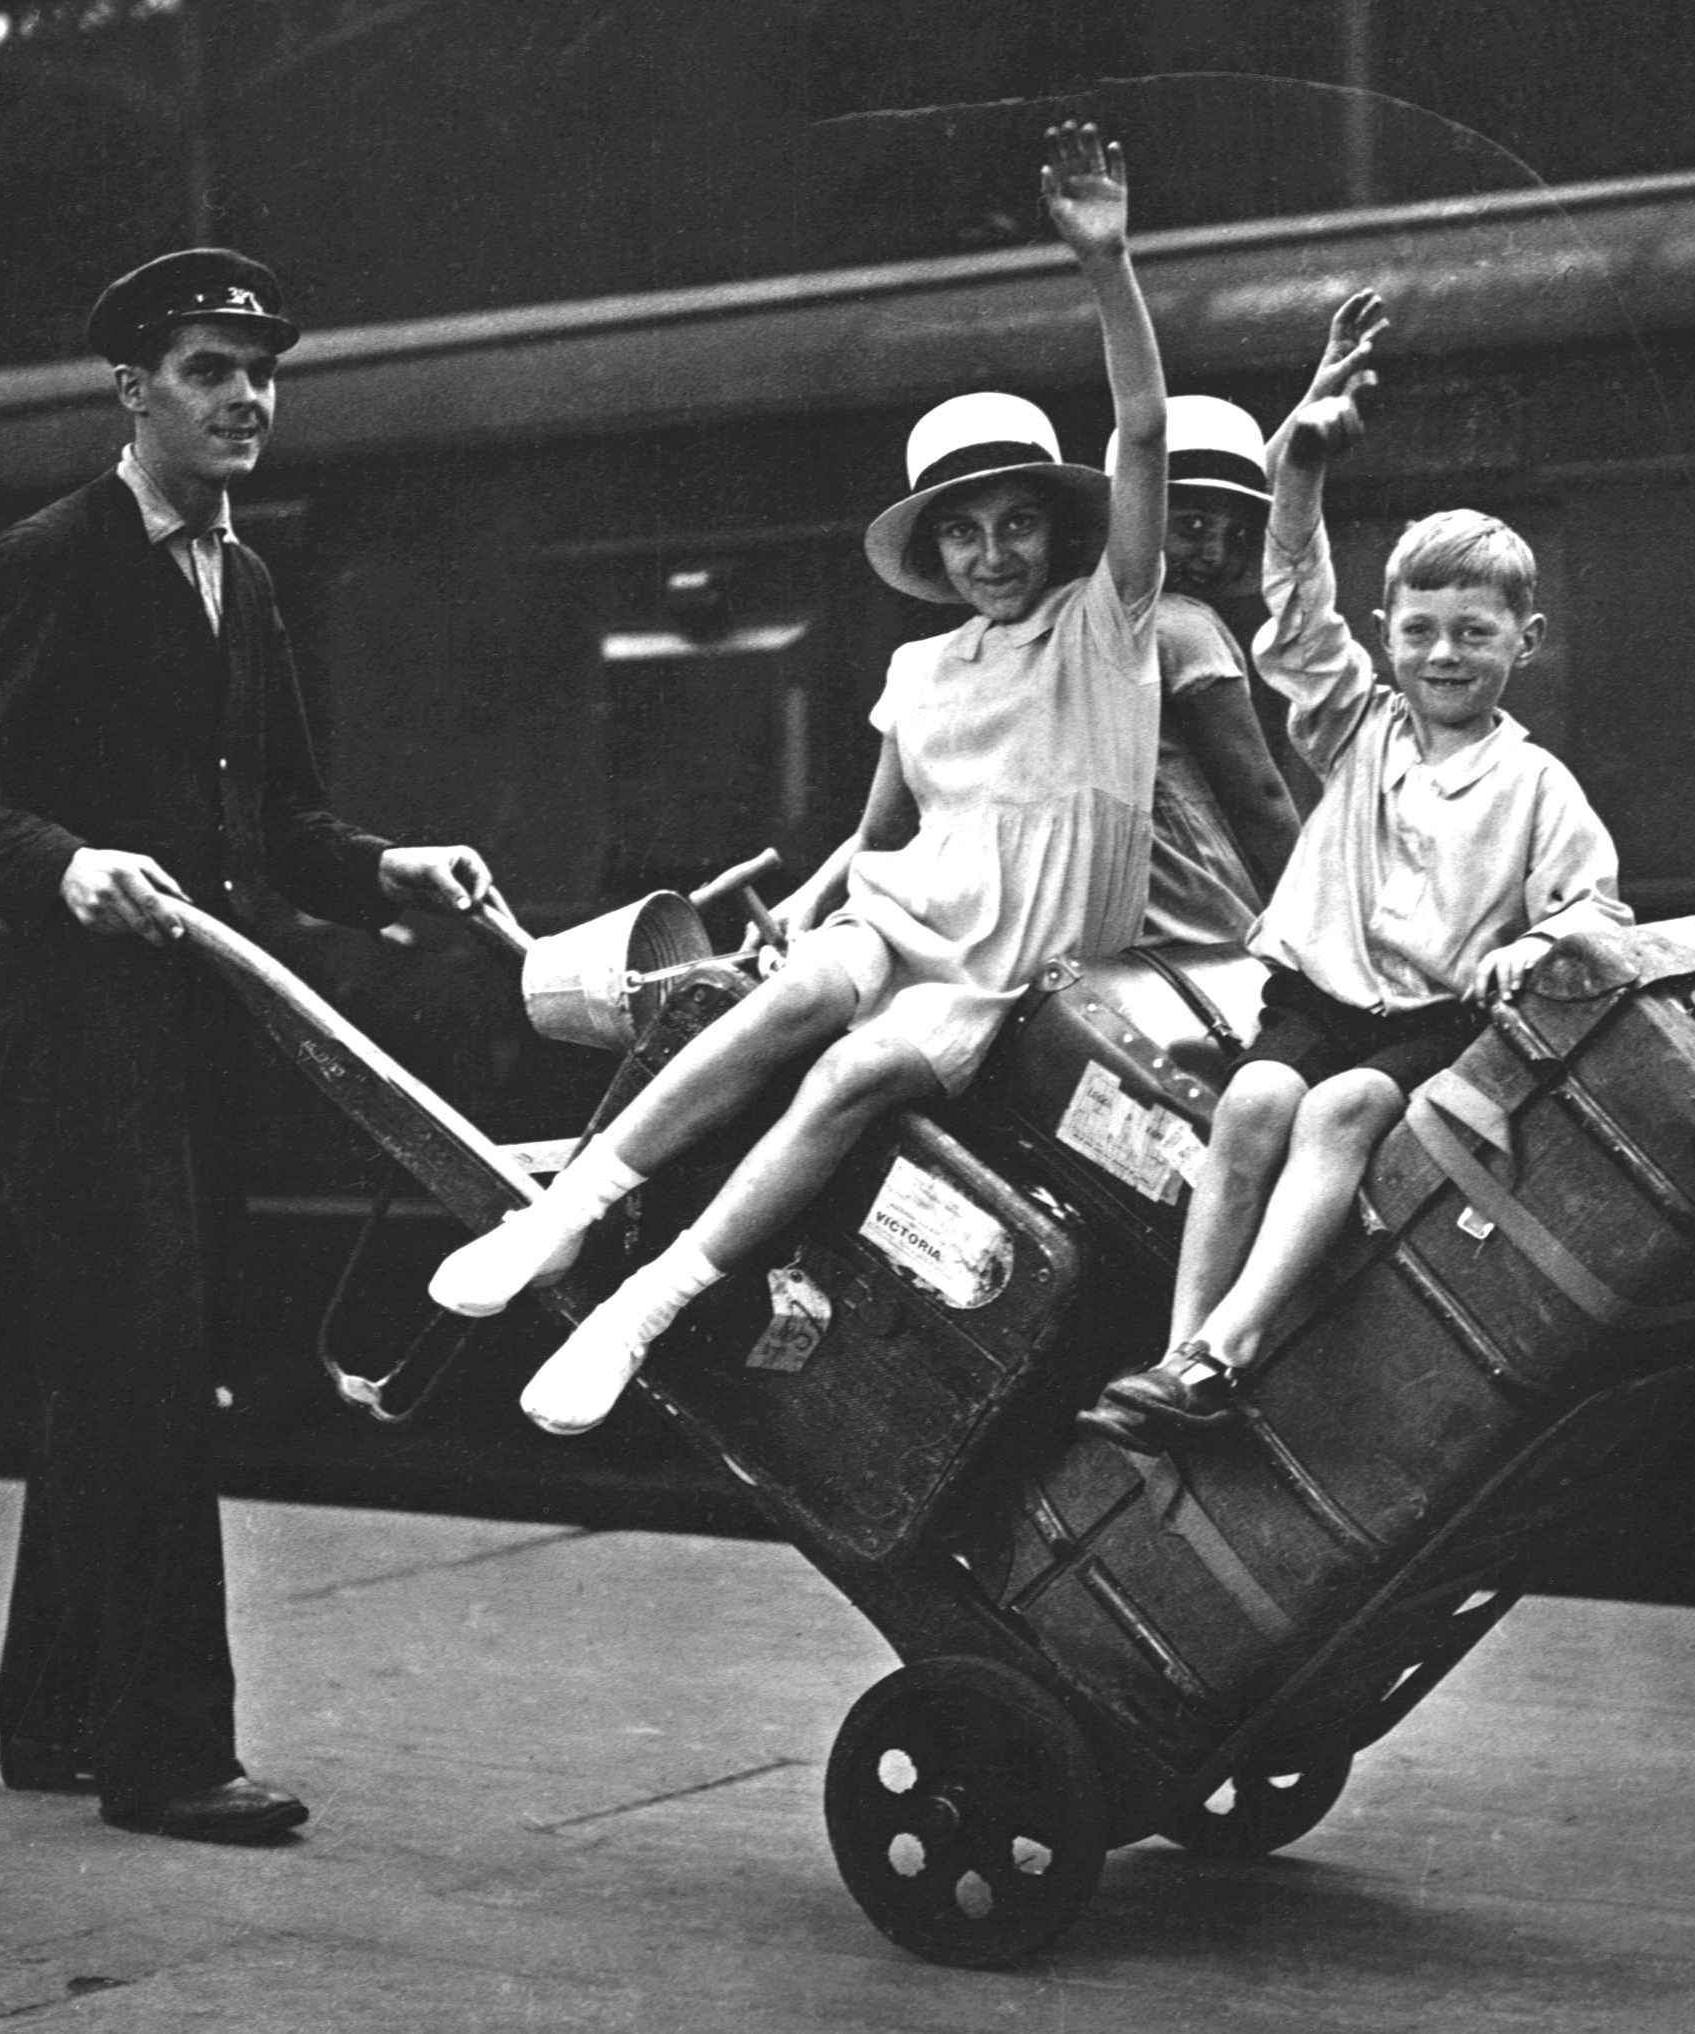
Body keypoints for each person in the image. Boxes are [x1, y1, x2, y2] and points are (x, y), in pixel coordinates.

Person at [0, 249, 496, 1843]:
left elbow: (278, 819)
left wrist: (384, 871)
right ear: (132, 392)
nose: (246, 400)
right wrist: (67, 867)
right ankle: (167, 1756)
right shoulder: (52, 558)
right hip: (69, 1030)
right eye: (212, 371)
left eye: (261, 373)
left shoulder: (246, 575)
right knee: (145, 1368)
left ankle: (50, 1713)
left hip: (192, 1029)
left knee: (121, 1362)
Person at [429, 120, 1170, 1436]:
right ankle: (562, 1214)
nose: (992, 551)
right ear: (936, 548)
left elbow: (1146, 432)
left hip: (1015, 969)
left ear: (1058, 530)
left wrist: (1105, 266)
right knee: (806, 985)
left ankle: (642, 1301)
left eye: (1014, 523)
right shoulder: (923, 666)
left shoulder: (1102, 633)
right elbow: (881, 831)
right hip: (905, 914)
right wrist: (803, 915)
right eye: (964, 529)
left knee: (847, 1076)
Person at [1081, 292, 1630, 1451]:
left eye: (1473, 634)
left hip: (1425, 1023)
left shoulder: (1539, 788)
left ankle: (1227, 1355)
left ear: (1521, 645)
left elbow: (1593, 914)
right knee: (1255, 1100)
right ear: (1389, 633)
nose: (1444, 653)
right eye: (1421, 629)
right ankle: (1177, 1358)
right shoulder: (1354, 726)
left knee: (1337, 1112)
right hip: (1315, 999)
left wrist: (1531, 945)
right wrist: (1302, 466)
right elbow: (1293, 599)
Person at [1124, 394, 1301, 945]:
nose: (1215, 555)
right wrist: (1318, 913)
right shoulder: (1184, 626)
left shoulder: (1086, 617)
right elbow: (1261, 798)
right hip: (1198, 903)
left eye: (1236, 536)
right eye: (1194, 526)